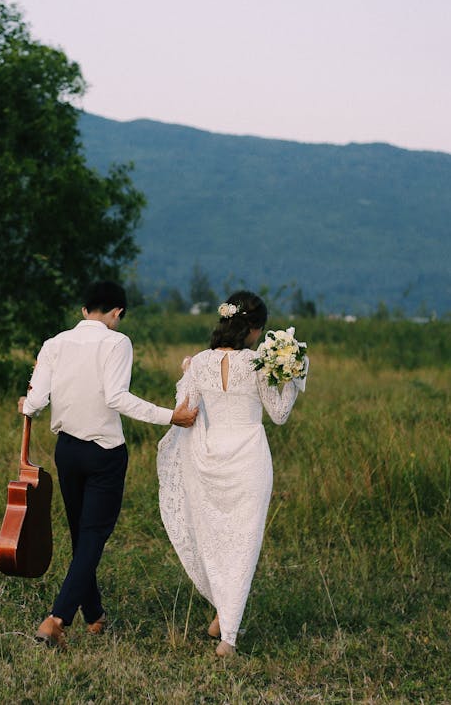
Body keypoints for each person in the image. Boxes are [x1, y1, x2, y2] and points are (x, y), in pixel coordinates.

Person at [18, 280, 198, 647]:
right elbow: (117, 397)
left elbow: (34, 404)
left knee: (82, 536)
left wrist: (25, 400)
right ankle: (56, 618)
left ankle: (95, 613)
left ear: (84, 310)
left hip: (66, 451)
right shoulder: (117, 342)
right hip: (104, 455)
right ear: (117, 312)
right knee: (94, 536)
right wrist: (171, 417)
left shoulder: (54, 343)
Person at [157, 290, 307, 657]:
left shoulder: (201, 362)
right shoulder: (258, 365)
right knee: (243, 542)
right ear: (254, 330)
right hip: (248, 459)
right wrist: (293, 378)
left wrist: (189, 374)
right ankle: (229, 639)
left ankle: (223, 617)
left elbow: (185, 410)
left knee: (213, 537)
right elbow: (279, 414)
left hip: (208, 458)